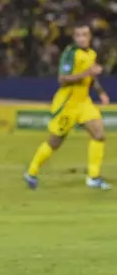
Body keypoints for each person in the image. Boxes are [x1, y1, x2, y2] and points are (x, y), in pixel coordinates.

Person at [24, 22, 111, 190]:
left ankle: (93, 178)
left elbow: (91, 78)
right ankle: (31, 172)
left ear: (90, 37)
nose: (81, 38)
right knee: (55, 141)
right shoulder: (70, 53)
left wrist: (101, 92)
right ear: (74, 38)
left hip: (84, 102)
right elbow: (62, 79)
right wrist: (87, 73)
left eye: (84, 35)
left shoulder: (91, 54)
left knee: (99, 135)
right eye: (78, 35)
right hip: (68, 104)